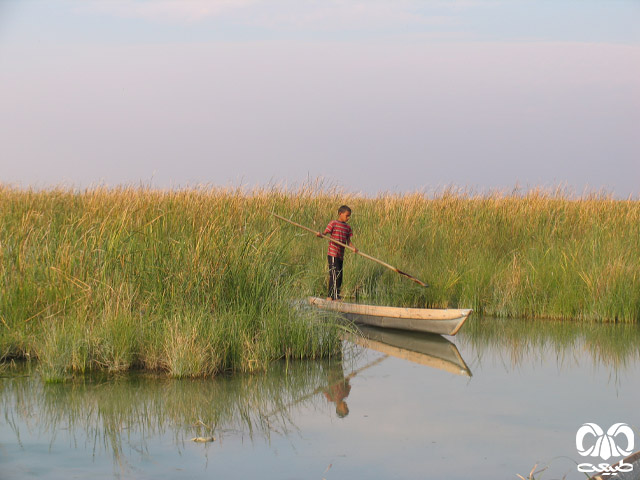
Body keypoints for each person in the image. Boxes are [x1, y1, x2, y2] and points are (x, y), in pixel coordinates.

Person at [318, 205, 356, 301]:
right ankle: (334, 296)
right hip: (333, 253)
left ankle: (331, 296)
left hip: (340, 255)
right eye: (347, 215)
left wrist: (353, 248)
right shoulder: (333, 223)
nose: (348, 218)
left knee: (339, 275)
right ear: (340, 214)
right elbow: (325, 233)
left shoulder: (347, 227)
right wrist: (320, 235)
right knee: (334, 274)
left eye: (349, 216)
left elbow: (348, 241)